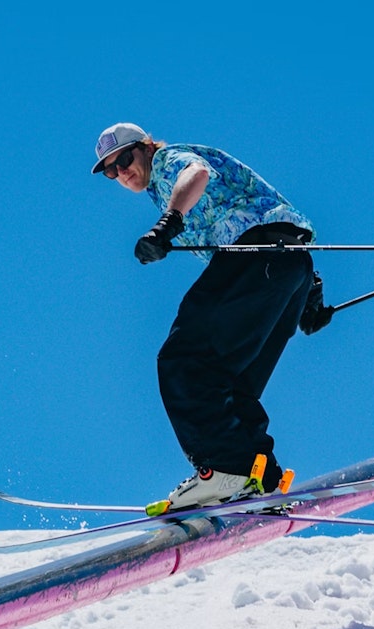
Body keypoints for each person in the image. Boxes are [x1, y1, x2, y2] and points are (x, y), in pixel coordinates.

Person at [91, 122, 327, 511]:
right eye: (111, 171)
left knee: (184, 360)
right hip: (286, 265)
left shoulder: (167, 161)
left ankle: (223, 469)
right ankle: (260, 478)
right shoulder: (158, 187)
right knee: (232, 383)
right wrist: (307, 293)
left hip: (254, 255)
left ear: (146, 147)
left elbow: (196, 173)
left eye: (125, 159)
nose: (121, 172)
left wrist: (168, 224)